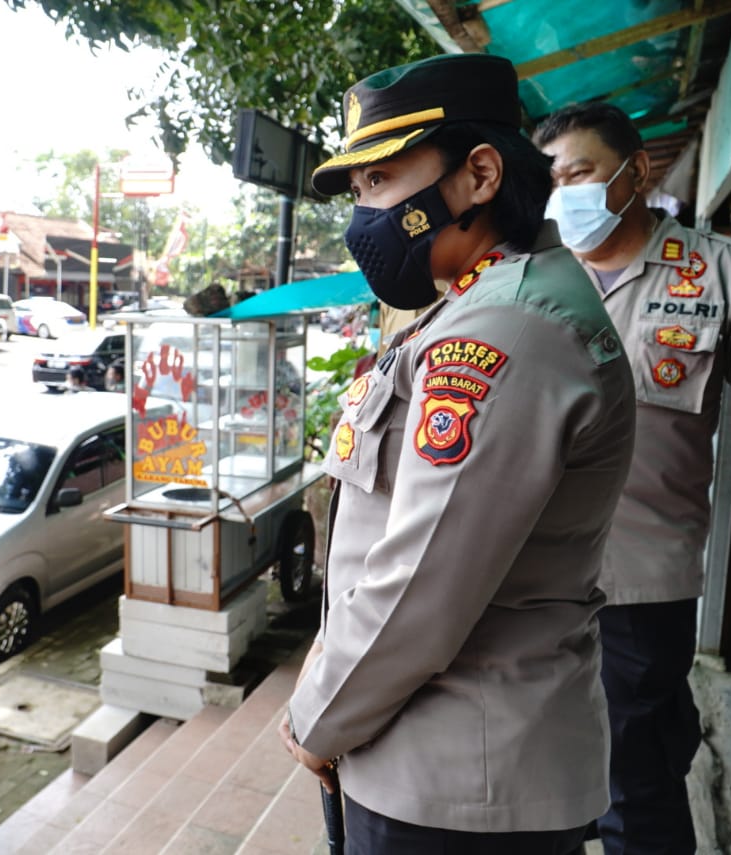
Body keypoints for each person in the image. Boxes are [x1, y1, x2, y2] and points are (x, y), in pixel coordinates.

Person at [277, 53, 637, 853]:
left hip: (456, 783)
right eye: (358, 189)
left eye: (379, 181)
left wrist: (316, 715)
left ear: (479, 175)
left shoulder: (508, 328)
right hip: (426, 754)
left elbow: (421, 583)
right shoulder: (478, 303)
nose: (362, 216)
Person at [533, 102, 731, 855]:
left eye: (579, 174)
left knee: (633, 781)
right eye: (551, 181)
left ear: (636, 172)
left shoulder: (720, 273)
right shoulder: (528, 276)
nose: (564, 196)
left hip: (639, 579)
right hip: (526, 575)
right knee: (545, 770)